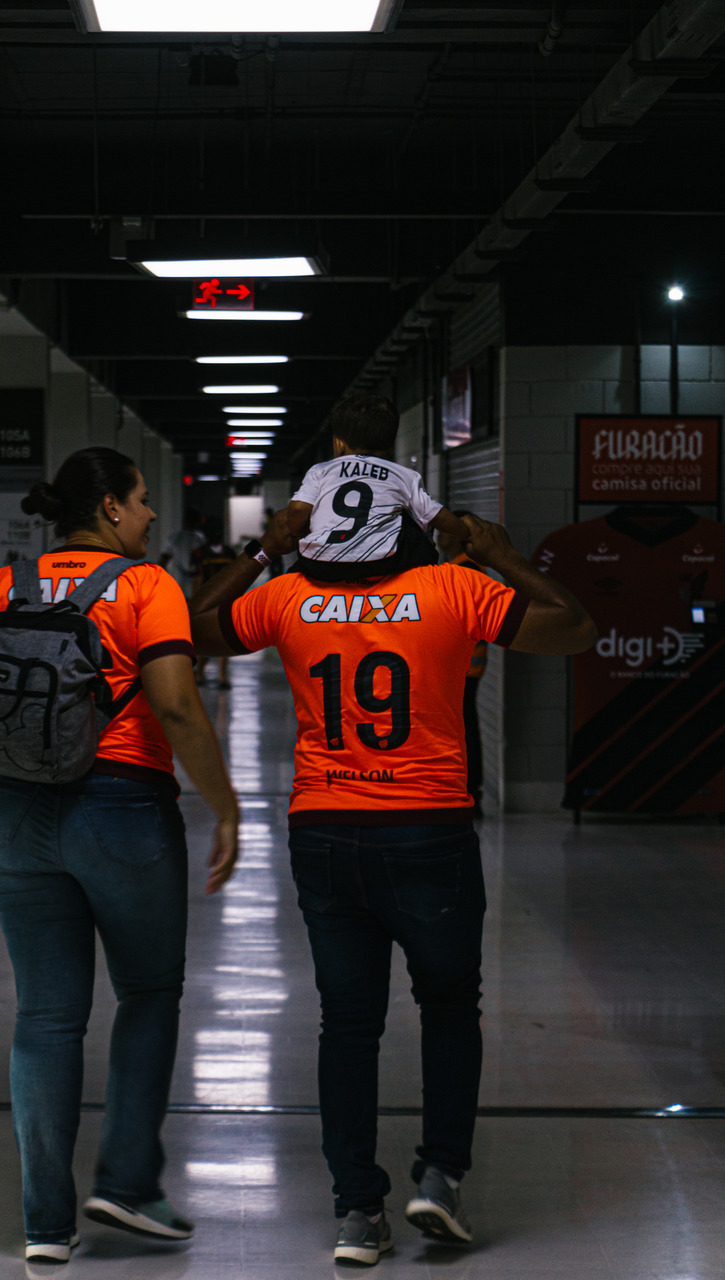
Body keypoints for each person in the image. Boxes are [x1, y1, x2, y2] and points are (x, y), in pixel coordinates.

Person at [187, 509, 596, 1265]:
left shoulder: (288, 595)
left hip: (325, 832)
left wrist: (261, 552)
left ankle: (357, 1212)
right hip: (427, 830)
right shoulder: (453, 588)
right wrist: (504, 554)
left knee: (347, 1024)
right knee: (449, 1005)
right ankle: (440, 1177)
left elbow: (190, 629)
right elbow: (574, 627)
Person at [0, 447, 240, 1265]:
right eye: (142, 500)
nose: (151, 514)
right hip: (120, 811)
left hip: (16, 813)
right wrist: (226, 808)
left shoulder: (7, 585)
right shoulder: (148, 586)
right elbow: (176, 705)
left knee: (45, 1017)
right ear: (110, 507)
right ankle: (128, 1182)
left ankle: (46, 1224)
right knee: (147, 992)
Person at [286, 393, 470, 582]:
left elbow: (298, 509)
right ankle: (420, 580)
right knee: (413, 518)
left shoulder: (320, 471)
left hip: (322, 564)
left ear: (339, 444)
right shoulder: (404, 475)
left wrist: (300, 530)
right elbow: (435, 515)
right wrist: (466, 532)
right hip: (381, 562)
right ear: (391, 447)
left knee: (300, 561)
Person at [437, 511, 491, 813]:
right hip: (462, 666)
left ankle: (471, 791)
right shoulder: (455, 567)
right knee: (462, 726)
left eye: (444, 531)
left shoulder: (466, 569)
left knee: (465, 728)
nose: (438, 537)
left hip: (466, 666)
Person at [192, 521, 237, 689]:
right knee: (206, 637)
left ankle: (220, 676)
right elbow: (198, 577)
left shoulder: (228, 553)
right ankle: (202, 673)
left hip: (225, 600)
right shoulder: (200, 553)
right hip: (208, 600)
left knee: (223, 637)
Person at [159, 507, 206, 598]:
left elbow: (163, 559)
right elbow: (200, 561)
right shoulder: (199, 539)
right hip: (190, 579)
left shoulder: (174, 538)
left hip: (178, 578)